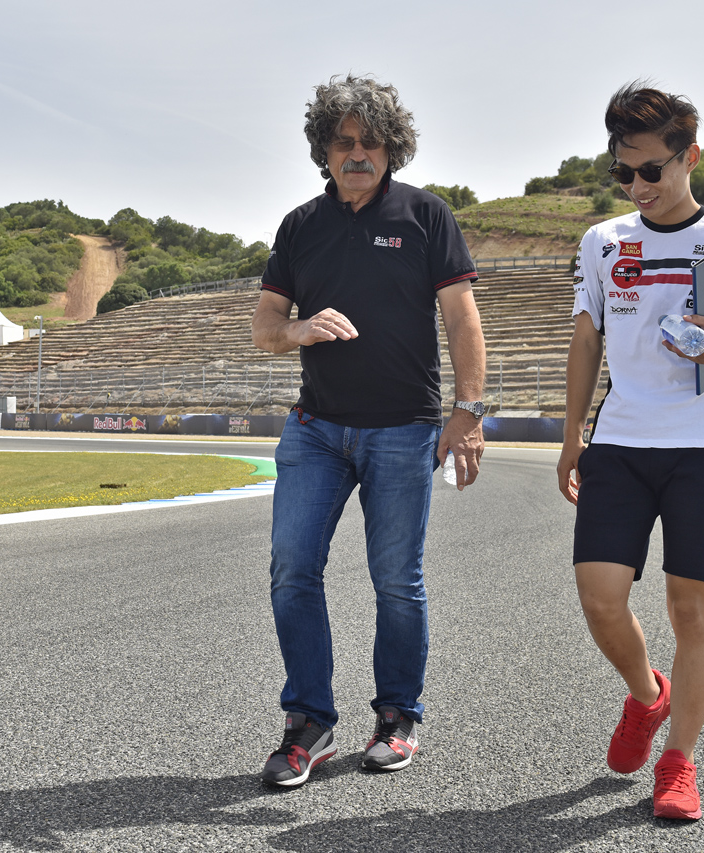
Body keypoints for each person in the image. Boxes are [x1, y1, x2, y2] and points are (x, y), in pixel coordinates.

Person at [556, 82, 704, 820]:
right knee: (600, 599)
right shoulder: (602, 241)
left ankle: (679, 761)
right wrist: (571, 435)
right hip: (619, 442)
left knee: (691, 607)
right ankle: (646, 695)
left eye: (651, 170)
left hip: (701, 445)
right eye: (622, 173)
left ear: (690, 157)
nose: (637, 186)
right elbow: (587, 338)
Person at [251, 74, 487, 787]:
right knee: (293, 570)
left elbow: (463, 319)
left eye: (371, 142)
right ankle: (308, 723)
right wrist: (298, 328)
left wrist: (469, 411)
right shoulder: (300, 225)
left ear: (393, 148)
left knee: (396, 581)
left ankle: (396, 717)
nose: (358, 153)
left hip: (403, 430)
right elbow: (265, 329)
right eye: (344, 141)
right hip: (317, 429)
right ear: (324, 149)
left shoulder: (425, 215)